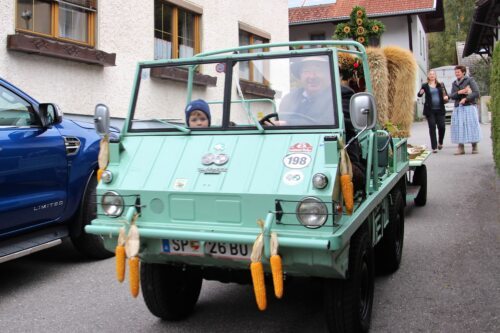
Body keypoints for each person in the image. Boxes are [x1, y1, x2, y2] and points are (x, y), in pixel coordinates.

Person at [449, 65, 481, 155]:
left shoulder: (470, 80)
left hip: (469, 106)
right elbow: (452, 95)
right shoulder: (454, 83)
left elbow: (476, 92)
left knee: (471, 125)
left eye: (458, 72)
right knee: (459, 126)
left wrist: (466, 99)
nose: (456, 74)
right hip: (458, 107)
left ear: (463, 72)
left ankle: (474, 145)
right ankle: (461, 147)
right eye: (455, 72)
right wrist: (460, 92)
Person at [417, 70, 449, 153]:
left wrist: (446, 98)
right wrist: (421, 92)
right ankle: (434, 147)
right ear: (428, 76)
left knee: (442, 127)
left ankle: (440, 142)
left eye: (433, 74)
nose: (432, 75)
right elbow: (419, 95)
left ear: (435, 76)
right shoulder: (425, 85)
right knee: (432, 127)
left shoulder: (440, 85)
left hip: (440, 109)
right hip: (430, 110)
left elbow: (446, 95)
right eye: (430, 74)